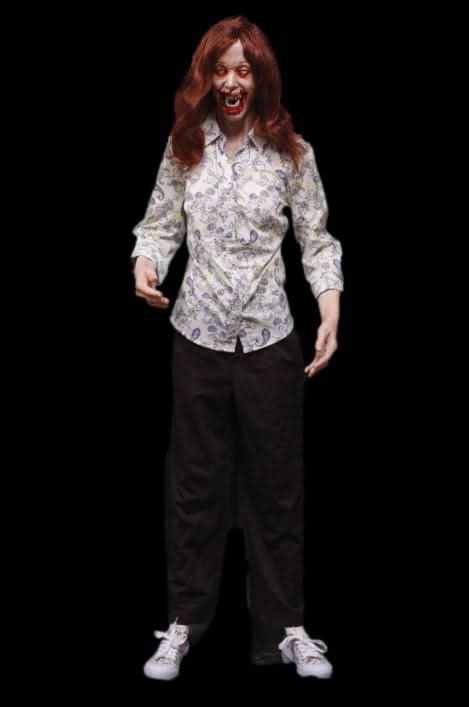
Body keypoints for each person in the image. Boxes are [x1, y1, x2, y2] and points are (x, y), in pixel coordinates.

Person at [131, 15, 343, 681]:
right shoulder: (184, 147)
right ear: (207, 78)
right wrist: (146, 263)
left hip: (269, 342)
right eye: (220, 69)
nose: (231, 81)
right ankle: (182, 621)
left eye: (243, 70)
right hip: (197, 337)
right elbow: (159, 223)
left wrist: (330, 312)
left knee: (276, 490)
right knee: (193, 486)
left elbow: (316, 241)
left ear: (260, 79)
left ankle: (287, 628)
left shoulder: (292, 153)